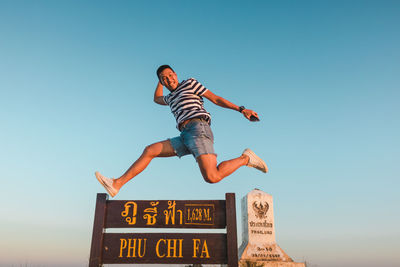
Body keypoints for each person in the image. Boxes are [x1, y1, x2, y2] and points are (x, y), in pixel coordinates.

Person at [95, 65, 268, 197]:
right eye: (165, 79)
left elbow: (215, 99)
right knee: (150, 150)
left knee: (212, 177)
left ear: (176, 75)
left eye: (171, 75)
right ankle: (117, 184)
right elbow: (156, 99)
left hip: (198, 128)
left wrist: (241, 109)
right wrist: (159, 79)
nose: (169, 79)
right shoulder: (170, 98)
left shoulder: (190, 83)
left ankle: (246, 158)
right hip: (184, 135)